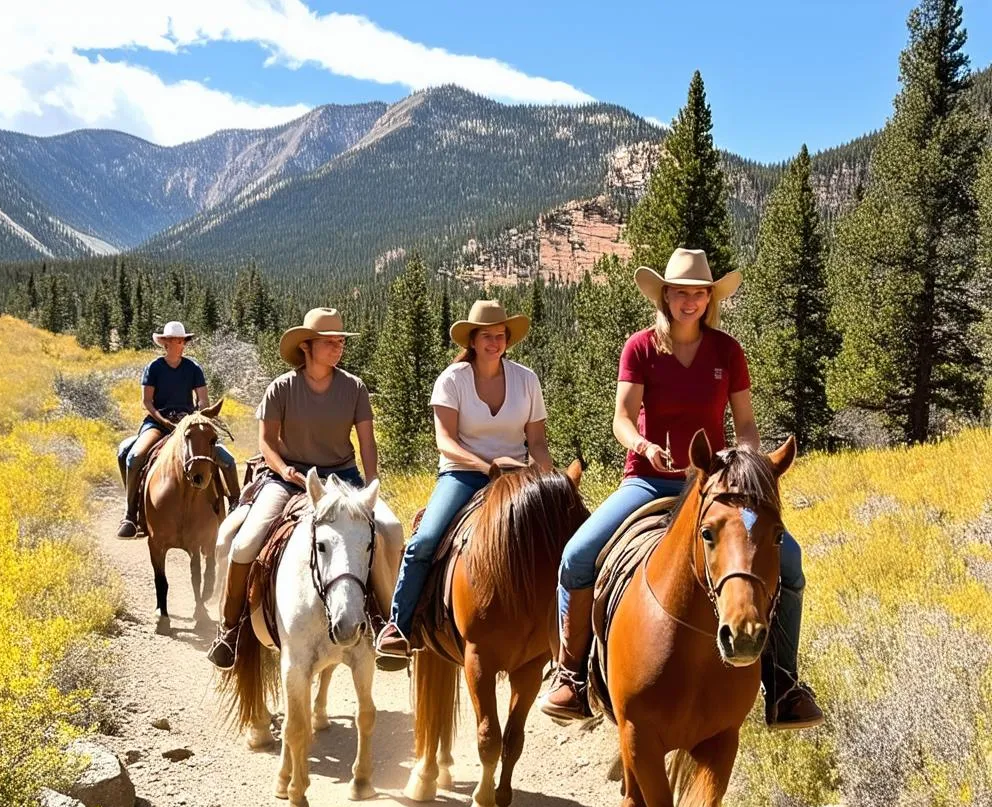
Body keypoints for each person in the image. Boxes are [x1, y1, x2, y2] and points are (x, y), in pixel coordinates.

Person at [539, 248, 823, 730]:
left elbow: (746, 424)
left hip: (717, 491)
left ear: (709, 298)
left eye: (698, 293)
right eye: (680, 292)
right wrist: (644, 446)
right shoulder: (641, 347)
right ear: (665, 295)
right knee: (577, 555)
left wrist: (745, 463)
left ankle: (782, 683)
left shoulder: (727, 351)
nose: (689, 301)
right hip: (649, 481)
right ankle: (573, 676)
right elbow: (622, 419)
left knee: (789, 563)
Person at [207, 308, 404, 669]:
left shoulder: (353, 387)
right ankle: (230, 627)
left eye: (341, 342)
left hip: (344, 479)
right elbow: (266, 442)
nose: (338, 348)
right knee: (246, 541)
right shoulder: (282, 387)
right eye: (330, 342)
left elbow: (367, 442)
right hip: (287, 477)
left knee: (390, 530)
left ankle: (387, 624)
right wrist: (285, 470)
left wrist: (371, 483)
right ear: (307, 347)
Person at [374, 299, 553, 664]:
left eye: (501, 335)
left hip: (518, 476)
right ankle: (400, 626)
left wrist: (548, 479)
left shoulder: (526, 380)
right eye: (487, 336)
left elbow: (536, 442)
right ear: (472, 340)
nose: (495, 342)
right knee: (424, 542)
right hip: (462, 473)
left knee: (560, 538)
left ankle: (564, 640)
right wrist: (487, 466)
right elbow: (446, 442)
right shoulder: (451, 380)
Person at [117, 321, 240, 538]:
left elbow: (202, 400)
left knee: (227, 460)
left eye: (182, 340)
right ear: (165, 343)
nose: (179, 343)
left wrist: (199, 417)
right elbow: (147, 402)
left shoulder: (193, 368)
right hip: (158, 423)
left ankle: (236, 509)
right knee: (133, 456)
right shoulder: (154, 368)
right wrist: (163, 421)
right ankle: (131, 514)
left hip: (187, 424)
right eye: (174, 340)